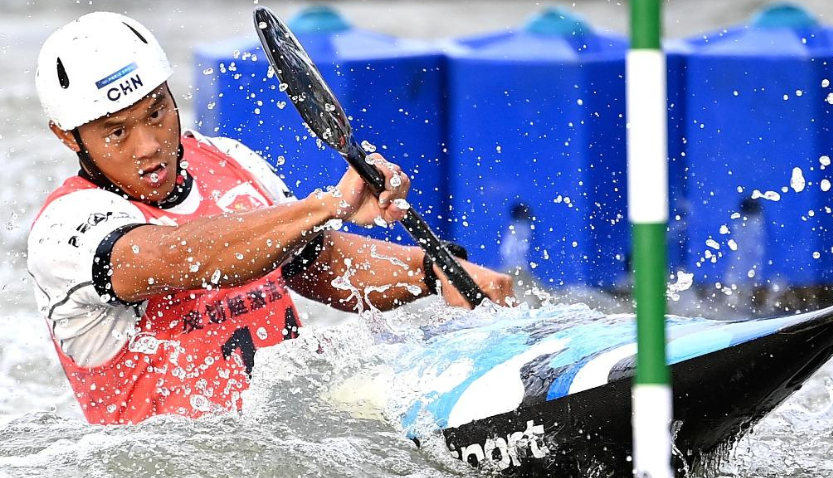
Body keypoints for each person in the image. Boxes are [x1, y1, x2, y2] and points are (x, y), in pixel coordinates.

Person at [28, 12, 513, 425]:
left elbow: (317, 263)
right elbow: (176, 257)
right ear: (67, 137)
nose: (149, 145)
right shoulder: (64, 230)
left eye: (157, 113)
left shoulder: (228, 160)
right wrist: (326, 206)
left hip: (297, 432)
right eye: (116, 132)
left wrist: (431, 270)